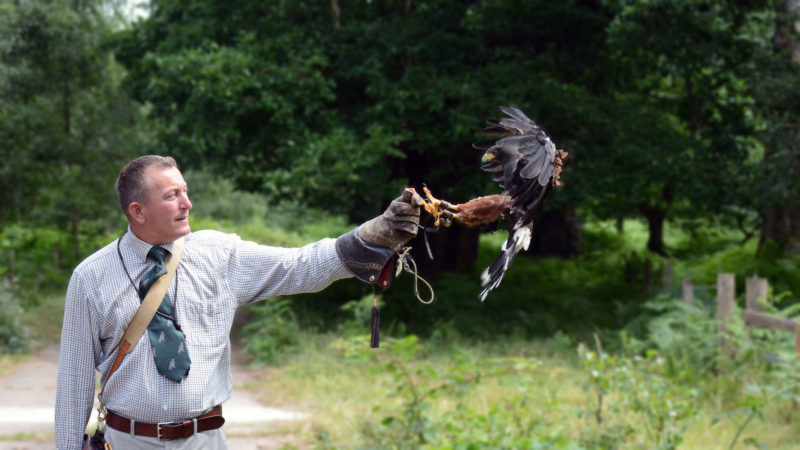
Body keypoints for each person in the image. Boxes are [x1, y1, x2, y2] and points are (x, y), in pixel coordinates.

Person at [55, 155, 422, 449]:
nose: (188, 203)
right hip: (126, 442)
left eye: (185, 190)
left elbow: (298, 266)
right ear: (138, 211)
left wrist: (371, 237)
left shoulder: (219, 254)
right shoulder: (90, 278)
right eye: (172, 196)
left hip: (205, 440)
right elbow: (73, 384)